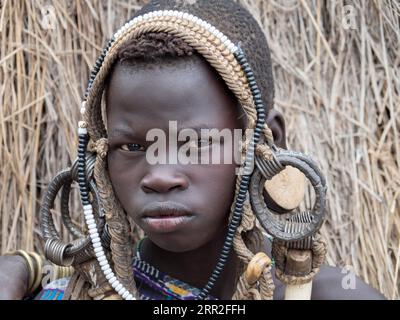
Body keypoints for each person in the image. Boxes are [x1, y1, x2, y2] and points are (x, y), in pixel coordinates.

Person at [0, 0, 385, 300]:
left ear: (269, 143)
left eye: (196, 143)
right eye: (132, 145)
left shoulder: (330, 294)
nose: (160, 176)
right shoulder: (65, 293)